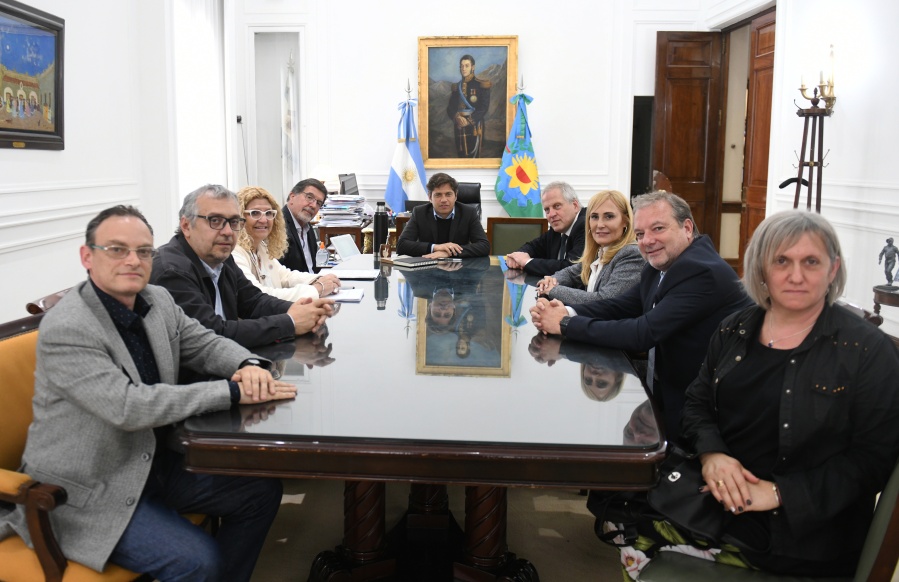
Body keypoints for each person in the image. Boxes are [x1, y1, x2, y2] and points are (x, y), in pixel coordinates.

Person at [0, 206, 298, 581]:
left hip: (151, 464)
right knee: (196, 560)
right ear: (87, 256)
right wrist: (232, 393)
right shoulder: (69, 326)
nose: (133, 260)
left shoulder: (156, 300)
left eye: (143, 251)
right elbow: (128, 406)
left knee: (258, 493)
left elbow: (204, 342)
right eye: (117, 249)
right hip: (86, 491)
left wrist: (249, 366)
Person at [613, 210, 899, 579]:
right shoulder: (735, 329)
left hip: (801, 535)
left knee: (639, 544)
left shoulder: (867, 352)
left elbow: (873, 460)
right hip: (719, 503)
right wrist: (713, 454)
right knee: (623, 516)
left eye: (811, 261)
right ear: (761, 269)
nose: (796, 275)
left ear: (832, 270)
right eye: (781, 261)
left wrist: (779, 494)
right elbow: (698, 402)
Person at [530, 191, 752, 443]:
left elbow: (642, 333)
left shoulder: (700, 270)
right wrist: (566, 311)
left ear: (687, 228)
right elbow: (620, 305)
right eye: (640, 234)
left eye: (658, 228)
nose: (647, 241)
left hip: (708, 411)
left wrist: (565, 324)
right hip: (669, 391)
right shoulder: (661, 265)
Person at [151, 184, 334, 349]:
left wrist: (302, 310)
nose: (228, 232)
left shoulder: (221, 257)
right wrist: (291, 322)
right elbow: (212, 334)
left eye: (233, 222)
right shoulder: (173, 271)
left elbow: (254, 301)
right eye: (215, 221)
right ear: (186, 225)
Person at [535, 189, 644, 304]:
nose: (600, 225)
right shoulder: (600, 252)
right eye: (595, 217)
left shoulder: (632, 254)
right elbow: (570, 273)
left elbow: (604, 300)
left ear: (625, 221)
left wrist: (553, 289)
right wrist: (551, 280)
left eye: (609, 216)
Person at [233, 185, 341, 300]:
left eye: (269, 213)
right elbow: (260, 295)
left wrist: (319, 279)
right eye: (255, 213)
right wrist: (318, 288)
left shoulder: (260, 246)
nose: (264, 220)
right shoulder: (235, 253)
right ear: (239, 217)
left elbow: (285, 276)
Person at [396, 172, 489, 258]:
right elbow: (401, 245)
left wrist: (448, 252)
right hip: (427, 270)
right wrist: (436, 247)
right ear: (430, 197)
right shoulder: (419, 213)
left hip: (460, 271)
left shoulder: (468, 213)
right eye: (438, 195)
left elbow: (484, 246)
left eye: (448, 194)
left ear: (455, 196)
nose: (444, 200)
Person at [504, 181, 587, 277]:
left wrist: (526, 261)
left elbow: (570, 268)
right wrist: (517, 256)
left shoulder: (585, 225)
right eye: (547, 210)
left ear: (575, 205)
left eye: (557, 206)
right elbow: (533, 246)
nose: (551, 214)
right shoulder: (558, 227)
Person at [446, 54, 491, 158]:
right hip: (459, 125)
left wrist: (468, 121)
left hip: (474, 125)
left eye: (466, 65)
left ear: (473, 67)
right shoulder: (457, 87)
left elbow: (484, 107)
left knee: (473, 156)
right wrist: (457, 117)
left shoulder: (481, 85)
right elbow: (450, 108)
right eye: (461, 66)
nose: (463, 68)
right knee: (461, 154)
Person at [281, 178, 328, 273]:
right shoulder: (278, 226)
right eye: (309, 197)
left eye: (319, 203)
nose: (313, 206)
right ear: (292, 196)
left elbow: (312, 267)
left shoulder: (307, 226)